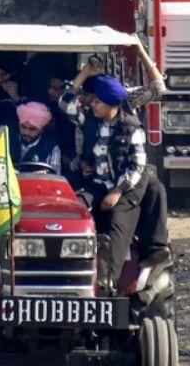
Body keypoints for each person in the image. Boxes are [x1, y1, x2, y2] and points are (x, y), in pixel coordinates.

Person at [78, 75, 171, 292]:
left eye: (98, 102)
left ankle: (106, 281)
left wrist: (117, 193)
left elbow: (137, 166)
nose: (93, 104)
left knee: (117, 224)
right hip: (98, 183)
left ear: (111, 105)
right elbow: (66, 103)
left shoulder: (131, 128)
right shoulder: (92, 120)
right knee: (76, 207)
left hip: (124, 187)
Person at [10, 101, 61, 173]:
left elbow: (54, 175)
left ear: (41, 129)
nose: (26, 132)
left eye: (32, 129)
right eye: (23, 127)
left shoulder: (51, 147)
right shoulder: (6, 138)